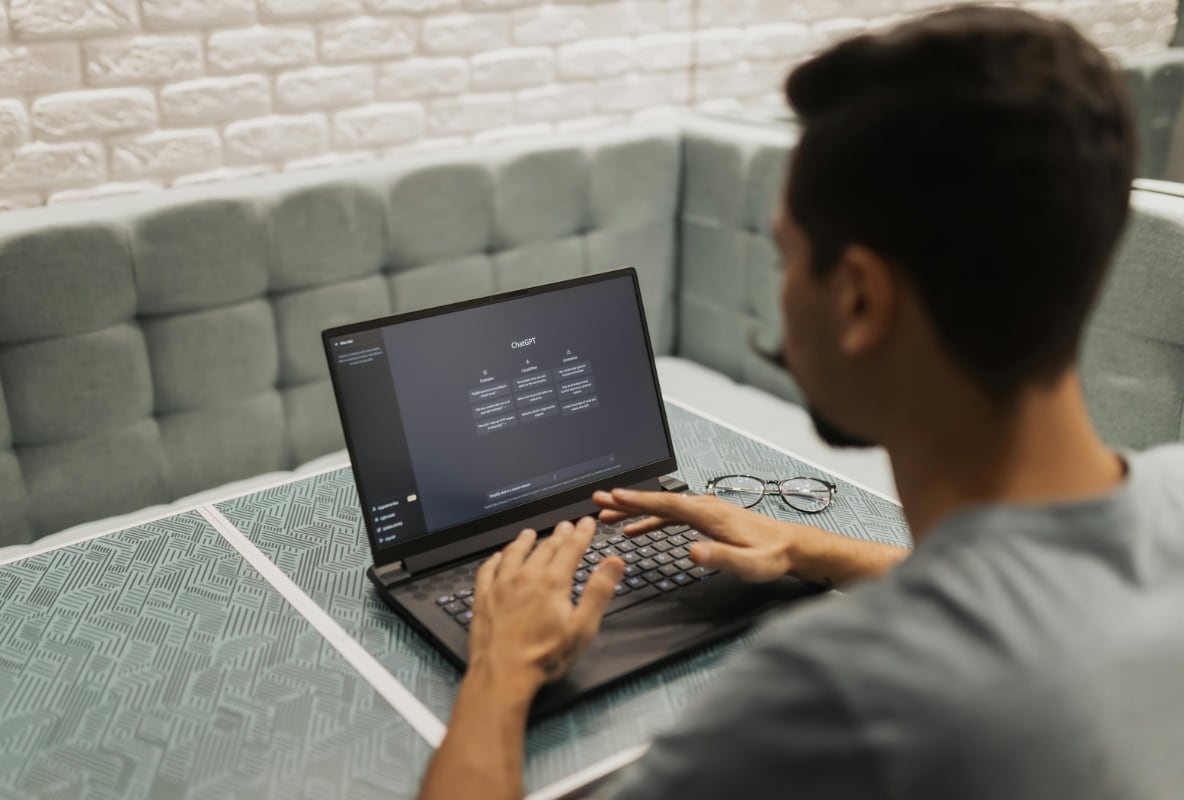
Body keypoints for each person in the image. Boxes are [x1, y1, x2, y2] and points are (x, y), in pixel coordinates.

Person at [419, 6, 1184, 799]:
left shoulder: (831, 696)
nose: (779, 293)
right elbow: (1037, 593)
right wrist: (811, 548)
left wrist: (501, 672)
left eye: (787, 257)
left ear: (857, 299)